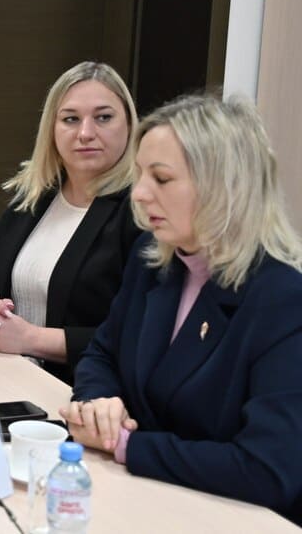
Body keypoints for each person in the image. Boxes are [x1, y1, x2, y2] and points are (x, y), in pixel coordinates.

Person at [66, 94, 302, 521]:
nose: (139, 193)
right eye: (140, 175)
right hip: (140, 501)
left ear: (223, 187)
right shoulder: (153, 259)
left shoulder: (284, 299)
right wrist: (101, 403)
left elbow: (267, 470)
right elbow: (102, 352)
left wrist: (126, 444)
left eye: (161, 178)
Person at [0, 61, 142, 382]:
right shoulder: (38, 194)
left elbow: (137, 335)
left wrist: (31, 339)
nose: (86, 133)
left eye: (103, 117)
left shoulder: (142, 213)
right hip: (5, 372)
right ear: (52, 129)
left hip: (81, 391)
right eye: (71, 119)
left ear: (129, 124)